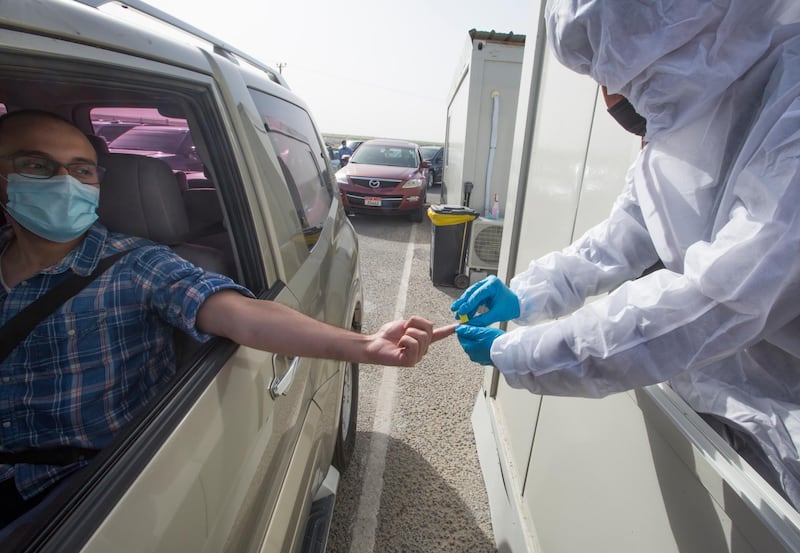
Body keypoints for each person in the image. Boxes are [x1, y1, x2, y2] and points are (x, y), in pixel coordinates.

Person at [0, 109, 446, 526]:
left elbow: (242, 314)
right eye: (37, 166)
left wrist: (365, 346)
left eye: (81, 170)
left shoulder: (136, 267)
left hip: (76, 497)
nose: (65, 182)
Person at [452, 0, 800, 508]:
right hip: (729, 396)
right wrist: (524, 294)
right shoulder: (687, 112)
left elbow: (719, 299)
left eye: (618, 70)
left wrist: (523, 353)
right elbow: (625, 232)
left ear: (677, 34)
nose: (611, 95)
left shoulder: (786, 115)